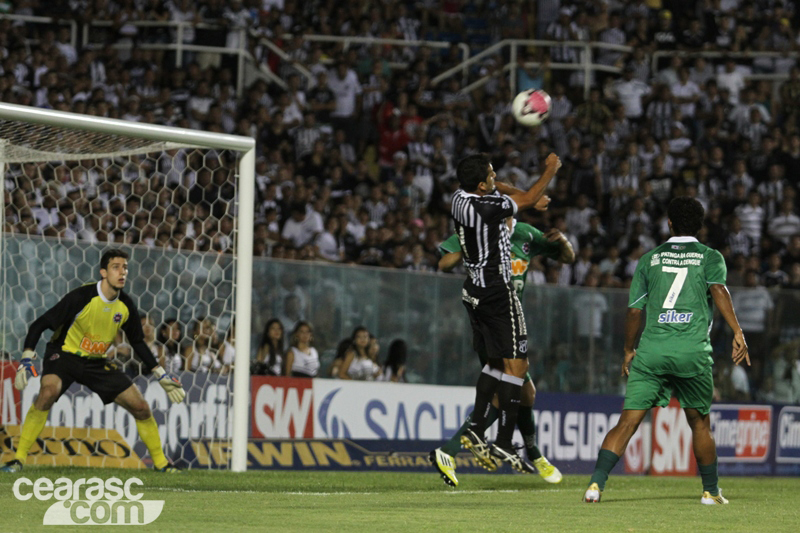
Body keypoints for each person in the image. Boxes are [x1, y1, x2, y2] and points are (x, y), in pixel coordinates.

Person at [583, 197, 750, 505]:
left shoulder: (649, 259)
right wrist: (738, 331)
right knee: (699, 423)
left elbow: (634, 312)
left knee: (628, 422)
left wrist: (628, 350)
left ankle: (595, 485)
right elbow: (719, 290)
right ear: (700, 226)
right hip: (691, 352)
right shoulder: (710, 256)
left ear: (669, 223)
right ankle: (710, 492)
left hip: (651, 351)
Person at [1, 249, 184, 473]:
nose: (122, 272)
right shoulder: (81, 297)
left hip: (97, 362)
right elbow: (39, 324)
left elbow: (137, 342)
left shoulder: (125, 305)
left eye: (125, 268)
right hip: (64, 355)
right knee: (48, 392)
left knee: (141, 407)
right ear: (103, 272)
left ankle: (162, 464)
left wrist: (160, 374)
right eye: (116, 267)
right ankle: (18, 459)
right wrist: (27, 356)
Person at [431, 211, 574, 487]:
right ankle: (456, 449)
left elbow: (566, 258)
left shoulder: (526, 234)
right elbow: (444, 263)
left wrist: (564, 242)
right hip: (492, 317)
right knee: (514, 385)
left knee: (523, 391)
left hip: (508, 317)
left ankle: (519, 451)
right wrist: (466, 242)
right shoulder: (480, 231)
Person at [444, 152, 561, 482]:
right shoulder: (487, 208)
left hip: (475, 292)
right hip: (499, 291)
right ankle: (503, 442)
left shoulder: (460, 198)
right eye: (493, 176)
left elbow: (508, 192)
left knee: (495, 366)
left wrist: (521, 197)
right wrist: (549, 170)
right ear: (483, 186)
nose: (498, 179)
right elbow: (524, 198)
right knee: (517, 367)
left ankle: (482, 433)